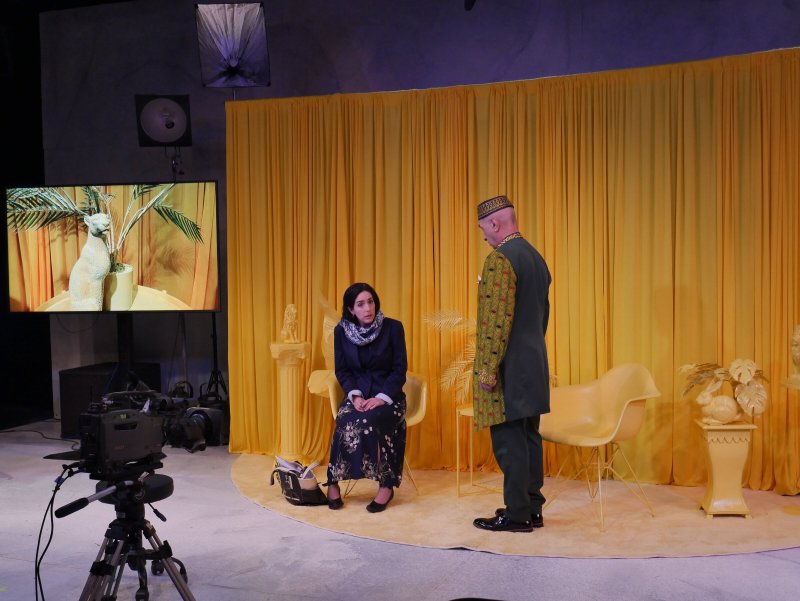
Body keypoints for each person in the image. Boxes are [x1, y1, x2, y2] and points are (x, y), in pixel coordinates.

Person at [471, 194, 552, 533]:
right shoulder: (535, 258)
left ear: (494, 223)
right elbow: (542, 316)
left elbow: (495, 321)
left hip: (509, 367)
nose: (485, 237)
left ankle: (517, 514)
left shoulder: (500, 259)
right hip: (534, 362)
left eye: (483, 230)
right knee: (529, 437)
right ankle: (532, 508)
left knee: (509, 441)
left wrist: (487, 370)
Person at [325, 282, 408, 512]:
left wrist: (381, 397)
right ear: (351, 310)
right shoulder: (341, 332)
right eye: (360, 304)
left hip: (389, 398)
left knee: (369, 421)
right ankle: (333, 481)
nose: (367, 308)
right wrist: (355, 396)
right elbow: (342, 370)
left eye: (370, 302)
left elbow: (399, 370)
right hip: (358, 396)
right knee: (343, 421)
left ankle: (386, 485)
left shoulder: (393, 328)